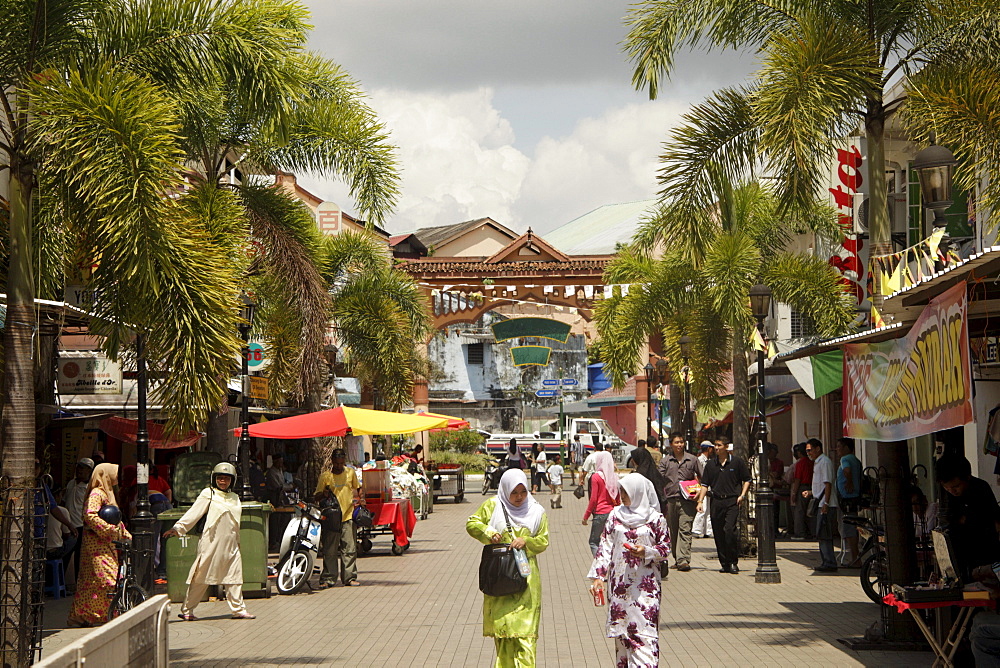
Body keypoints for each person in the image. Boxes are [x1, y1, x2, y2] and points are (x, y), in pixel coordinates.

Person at [466, 469, 549, 668]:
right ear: (505, 490)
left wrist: (526, 541)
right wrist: (488, 532)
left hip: (526, 581)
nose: (519, 497)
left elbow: (543, 541)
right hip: (500, 579)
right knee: (504, 638)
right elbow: (472, 523)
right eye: (514, 492)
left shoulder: (537, 511)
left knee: (526, 637)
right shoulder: (493, 505)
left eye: (523, 492)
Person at [588, 473, 671, 667]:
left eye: (626, 492)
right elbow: (605, 546)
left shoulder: (655, 519)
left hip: (645, 589)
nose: (622, 496)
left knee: (645, 638)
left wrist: (647, 551)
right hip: (620, 587)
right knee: (623, 638)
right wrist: (598, 577)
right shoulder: (615, 515)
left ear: (638, 492)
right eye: (621, 491)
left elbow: (665, 548)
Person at [164, 462, 256, 620]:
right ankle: (187, 610)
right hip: (211, 542)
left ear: (232, 481)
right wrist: (178, 528)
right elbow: (195, 512)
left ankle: (239, 610)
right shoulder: (209, 493)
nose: (223, 481)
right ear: (214, 479)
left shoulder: (234, 497)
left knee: (234, 577)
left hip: (231, 544)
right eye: (220, 478)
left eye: (226, 479)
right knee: (201, 577)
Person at [68, 463, 131, 627]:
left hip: (105, 544)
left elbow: (116, 520)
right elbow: (90, 515)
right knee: (108, 578)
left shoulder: (107, 494)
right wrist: (109, 530)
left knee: (92, 582)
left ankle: (87, 615)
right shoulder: (97, 494)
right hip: (96, 546)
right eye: (115, 474)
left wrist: (126, 535)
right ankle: (109, 613)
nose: (117, 478)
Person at [936, 454, 1000, 579]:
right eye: (946, 487)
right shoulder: (946, 494)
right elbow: (946, 521)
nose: (952, 491)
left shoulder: (981, 489)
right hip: (957, 555)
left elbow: (991, 521)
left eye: (956, 487)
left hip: (984, 553)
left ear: (967, 477)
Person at [697, 440, 751, 574]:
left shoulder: (737, 462)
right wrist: (700, 501)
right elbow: (704, 484)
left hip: (732, 501)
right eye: (715, 445)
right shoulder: (710, 464)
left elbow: (747, 480)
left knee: (729, 530)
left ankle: (733, 562)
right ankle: (724, 563)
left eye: (719, 445)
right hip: (716, 501)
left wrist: (742, 495)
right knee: (718, 533)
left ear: (726, 447)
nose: (716, 448)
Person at [313, 448, 361, 588]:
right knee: (330, 550)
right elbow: (317, 496)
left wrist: (360, 499)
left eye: (341, 463)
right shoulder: (326, 477)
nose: (339, 466)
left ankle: (349, 577)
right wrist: (325, 493)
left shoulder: (350, 473)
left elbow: (358, 488)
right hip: (331, 519)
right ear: (332, 462)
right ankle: (328, 578)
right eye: (337, 464)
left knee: (349, 549)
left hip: (348, 516)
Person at [657, 432, 703, 571]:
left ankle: (684, 560)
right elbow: (659, 479)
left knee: (685, 528)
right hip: (670, 500)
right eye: (676, 442)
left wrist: (699, 492)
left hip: (688, 500)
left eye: (681, 442)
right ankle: (678, 558)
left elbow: (704, 478)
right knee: (674, 530)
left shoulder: (693, 460)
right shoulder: (665, 461)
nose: (679, 445)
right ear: (671, 444)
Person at [802, 438, 839, 573]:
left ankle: (829, 562)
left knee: (825, 534)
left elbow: (827, 484)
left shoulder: (824, 462)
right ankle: (826, 561)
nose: (808, 453)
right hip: (821, 502)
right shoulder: (817, 463)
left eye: (810, 450)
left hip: (825, 504)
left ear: (817, 449)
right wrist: (811, 492)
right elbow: (821, 486)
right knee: (821, 534)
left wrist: (826, 504)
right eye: (807, 451)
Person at [62, 457, 95, 578]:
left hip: (81, 526)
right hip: (67, 525)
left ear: (89, 471)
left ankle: (78, 583)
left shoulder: (89, 487)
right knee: (65, 555)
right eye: (79, 467)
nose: (80, 470)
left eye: (83, 468)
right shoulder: (71, 483)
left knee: (79, 557)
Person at [582, 451, 619, 556]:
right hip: (612, 514)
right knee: (610, 541)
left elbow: (593, 499)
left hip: (600, 514)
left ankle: (600, 564)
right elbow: (618, 498)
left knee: (594, 541)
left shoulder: (596, 477)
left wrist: (586, 516)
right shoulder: (615, 477)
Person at [835, 438, 862, 566]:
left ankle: (855, 559)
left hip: (847, 499)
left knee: (849, 528)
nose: (837, 450)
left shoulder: (845, 459)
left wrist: (849, 482)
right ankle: (855, 557)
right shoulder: (856, 460)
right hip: (854, 497)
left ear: (846, 448)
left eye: (839, 447)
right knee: (852, 527)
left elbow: (847, 470)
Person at [627, 446, 666, 513]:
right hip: (655, 510)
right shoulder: (656, 473)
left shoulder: (638, 475)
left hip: (641, 511)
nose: (632, 461)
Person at [789, 442, 813, 540]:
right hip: (811, 487)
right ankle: (810, 531)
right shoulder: (811, 462)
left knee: (799, 511)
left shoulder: (800, 463)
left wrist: (794, 492)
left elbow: (797, 479)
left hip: (802, 487)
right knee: (810, 510)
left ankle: (800, 533)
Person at [692, 442, 714, 539]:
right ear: (709, 449)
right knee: (702, 508)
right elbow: (696, 474)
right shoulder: (700, 460)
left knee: (708, 510)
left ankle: (708, 530)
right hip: (702, 488)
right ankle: (696, 529)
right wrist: (700, 485)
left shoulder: (709, 460)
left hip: (708, 487)